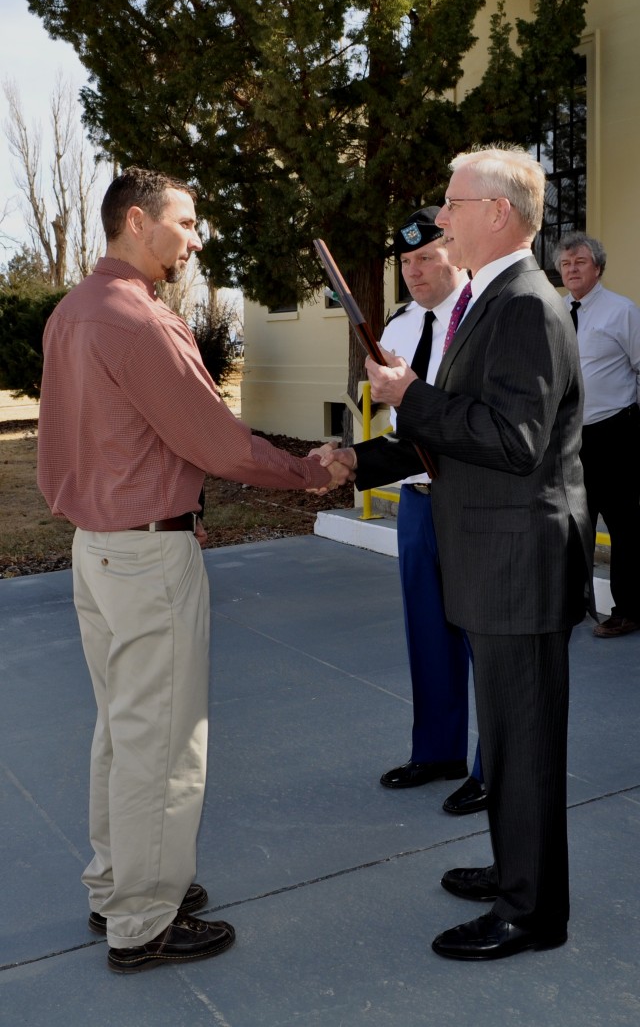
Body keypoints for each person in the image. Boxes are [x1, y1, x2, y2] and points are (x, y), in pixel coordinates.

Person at [37, 167, 349, 974]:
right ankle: (144, 918)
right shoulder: (137, 320)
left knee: (123, 728)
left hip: (98, 548)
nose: (196, 238)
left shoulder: (73, 313)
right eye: (185, 222)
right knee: (164, 741)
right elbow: (214, 441)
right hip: (144, 553)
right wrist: (309, 471)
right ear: (136, 222)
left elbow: (88, 444)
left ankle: (120, 885)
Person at [321, 146, 593, 960]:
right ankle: (519, 868)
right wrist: (356, 459)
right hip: (495, 555)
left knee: (525, 741)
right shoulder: (490, 299)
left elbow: (510, 441)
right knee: (508, 738)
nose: (442, 217)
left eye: (453, 202)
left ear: (499, 212)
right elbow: (452, 437)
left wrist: (413, 396)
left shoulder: (525, 306)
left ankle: (531, 911)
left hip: (518, 562)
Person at [355, 207, 487, 814]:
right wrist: (354, 458)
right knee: (427, 632)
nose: (413, 271)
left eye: (426, 257)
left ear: (454, 253)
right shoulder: (400, 328)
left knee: (487, 641)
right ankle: (437, 751)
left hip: (473, 503)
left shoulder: (484, 315)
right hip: (416, 498)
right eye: (405, 262)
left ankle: (494, 767)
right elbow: (394, 422)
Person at [555, 233, 640, 638]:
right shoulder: (554, 311)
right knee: (572, 524)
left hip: (615, 434)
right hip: (569, 438)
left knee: (625, 526)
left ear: (599, 268)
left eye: (581, 262)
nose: (572, 269)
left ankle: (629, 609)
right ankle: (573, 603)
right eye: (566, 263)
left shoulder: (622, 311)